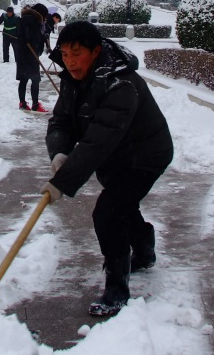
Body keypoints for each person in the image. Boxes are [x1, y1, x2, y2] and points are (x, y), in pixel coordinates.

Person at [41, 20, 174, 317]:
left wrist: (63, 181)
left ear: (96, 51)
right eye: (64, 54)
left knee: (109, 212)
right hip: (117, 155)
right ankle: (144, 247)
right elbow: (62, 121)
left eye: (77, 54)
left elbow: (97, 141)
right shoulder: (74, 79)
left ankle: (116, 287)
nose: (70, 62)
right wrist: (60, 152)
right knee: (122, 204)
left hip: (146, 155)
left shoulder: (120, 84)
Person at [15, 3, 48, 111]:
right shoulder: (32, 20)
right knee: (35, 79)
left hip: (23, 54)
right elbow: (30, 37)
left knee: (24, 79)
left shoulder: (26, 18)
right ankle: (35, 104)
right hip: (29, 54)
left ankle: (23, 103)